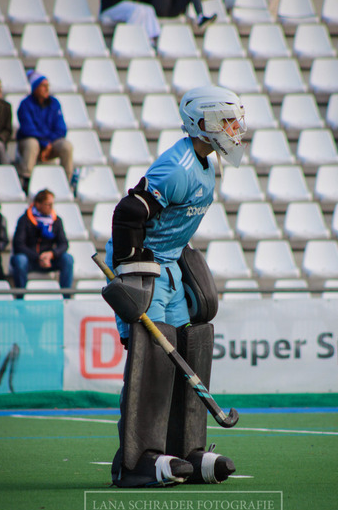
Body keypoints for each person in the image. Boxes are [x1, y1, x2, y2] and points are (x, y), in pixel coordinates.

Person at [102, 85, 246, 488]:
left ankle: (185, 449)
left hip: (170, 267)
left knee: (187, 349)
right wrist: (131, 272)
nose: (234, 129)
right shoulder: (178, 166)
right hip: (146, 268)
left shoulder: (207, 164)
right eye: (226, 121)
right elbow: (129, 212)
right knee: (151, 358)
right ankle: (136, 460)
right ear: (202, 123)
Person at [16, 71, 73, 194]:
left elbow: (61, 129)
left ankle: (67, 181)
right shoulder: (25, 105)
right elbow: (28, 129)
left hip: (49, 144)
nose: (46, 88)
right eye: (43, 85)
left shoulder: (54, 103)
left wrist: (49, 144)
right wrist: (45, 143)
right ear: (35, 88)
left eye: (47, 85)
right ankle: (26, 179)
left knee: (66, 146)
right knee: (32, 143)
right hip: (32, 143)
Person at [10, 189, 74, 294]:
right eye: (48, 204)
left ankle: (66, 297)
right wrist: (38, 257)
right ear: (38, 204)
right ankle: (21, 297)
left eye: (52, 204)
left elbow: (64, 244)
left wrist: (51, 254)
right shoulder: (24, 220)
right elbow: (18, 245)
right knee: (20, 260)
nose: (51, 207)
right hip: (30, 260)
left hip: (49, 260)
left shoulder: (56, 220)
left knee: (67, 259)